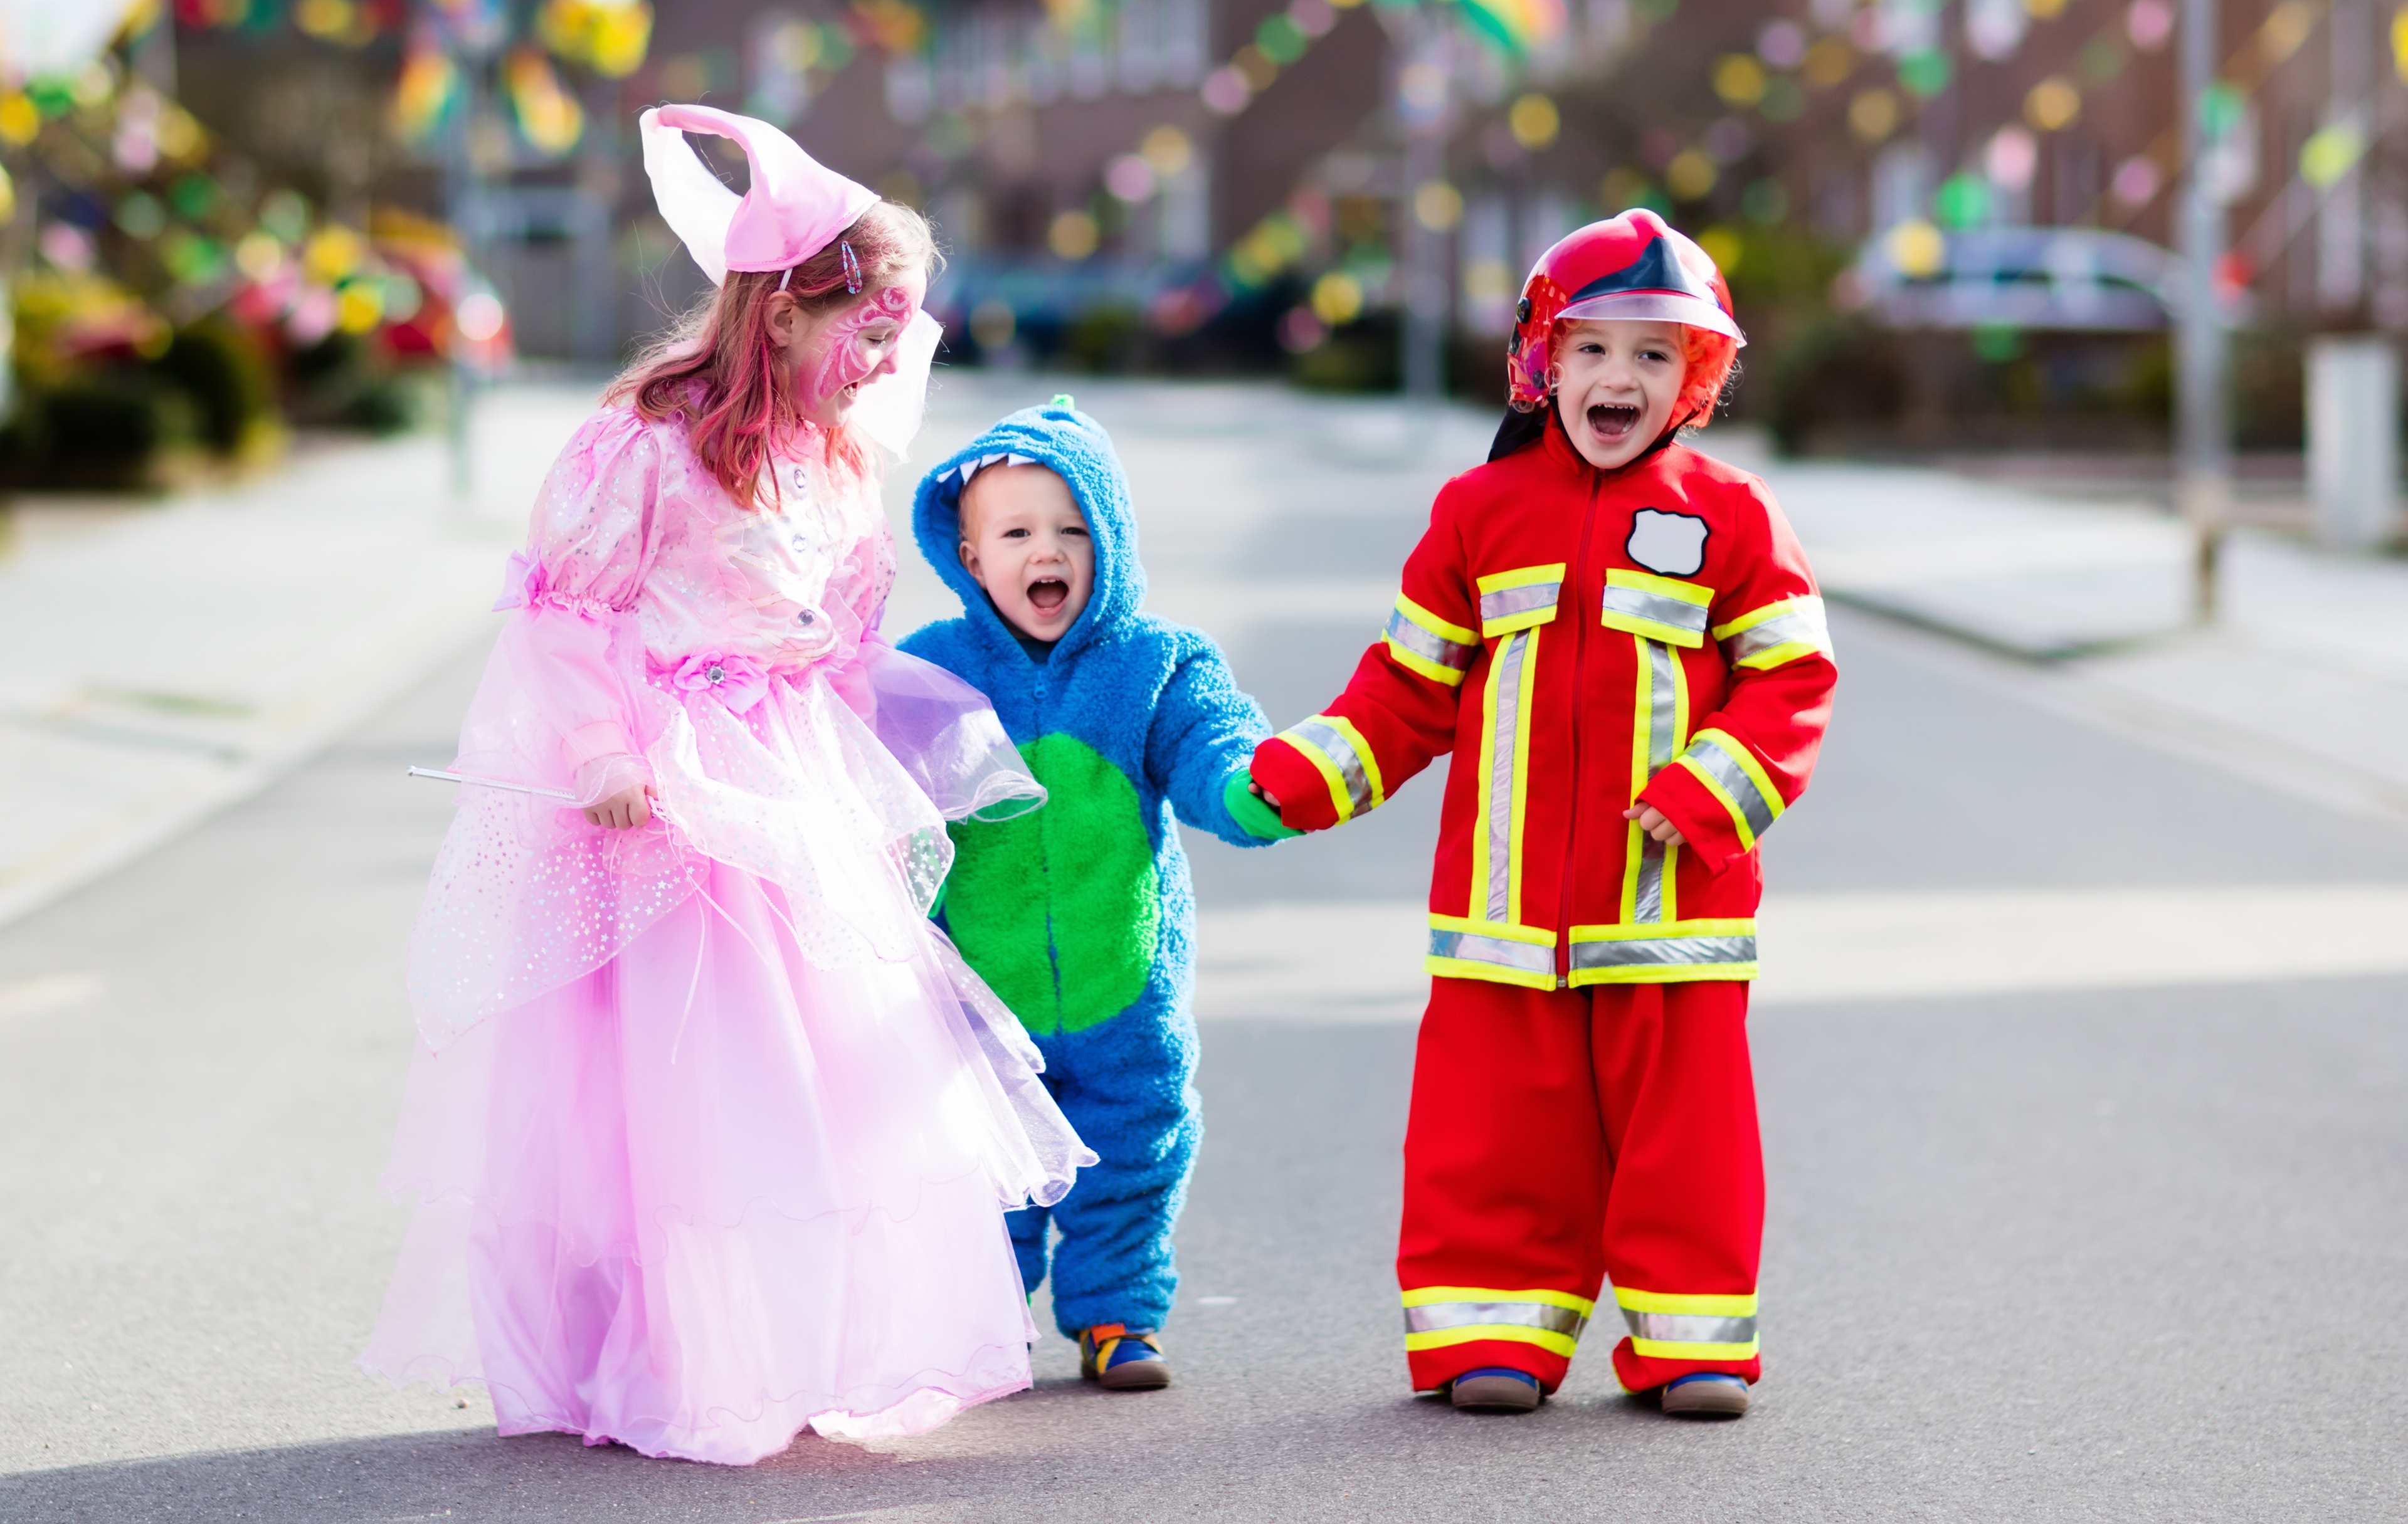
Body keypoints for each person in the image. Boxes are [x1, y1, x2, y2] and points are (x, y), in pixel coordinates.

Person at [359, 103, 1092, 1465]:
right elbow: (570, 615)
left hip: (790, 776)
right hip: (672, 787)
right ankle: (666, 1353)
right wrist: (602, 753)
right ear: (781, 316)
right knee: (684, 1080)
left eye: (898, 333)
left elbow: (846, 625)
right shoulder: (646, 442)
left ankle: (795, 1336)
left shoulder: (834, 456)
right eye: (864, 330)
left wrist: (886, 724)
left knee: (815, 1077)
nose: (885, 358)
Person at [1238, 211, 1836, 1419]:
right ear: (1542, 362)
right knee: (1492, 1138)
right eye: (1595, 349)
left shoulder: (1735, 515)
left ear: (1696, 381)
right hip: (1500, 919)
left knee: (1687, 1140)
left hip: (1671, 916)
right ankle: (1491, 1336)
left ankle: (1692, 1344)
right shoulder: (1476, 512)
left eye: (1657, 356)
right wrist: (1306, 775)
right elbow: (1410, 687)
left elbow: (1793, 678)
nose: (1621, 377)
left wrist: (1711, 787)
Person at [897, 399, 1282, 1389]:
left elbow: (1212, 745)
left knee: (1134, 1146)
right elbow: (882, 790)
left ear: (1110, 541)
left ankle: (1116, 1314)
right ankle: (990, 1315)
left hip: (1125, 986)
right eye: (1018, 532)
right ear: (972, 557)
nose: (1049, 552)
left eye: (1074, 529)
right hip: (981, 992)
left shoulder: (1155, 665)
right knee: (986, 1158)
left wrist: (1252, 787)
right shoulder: (932, 671)